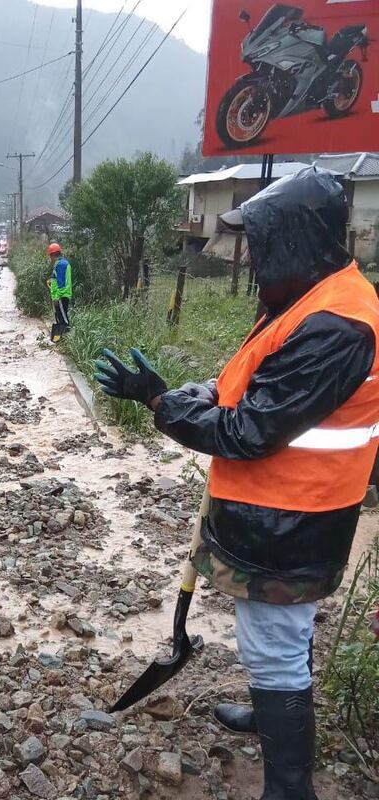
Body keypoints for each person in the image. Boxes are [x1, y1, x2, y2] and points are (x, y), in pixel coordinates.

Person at [94, 167, 379, 800]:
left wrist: (162, 403)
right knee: (283, 638)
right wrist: (182, 393)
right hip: (284, 515)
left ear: (296, 239)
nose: (250, 252)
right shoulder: (310, 301)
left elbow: (248, 429)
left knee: (275, 645)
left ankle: (288, 785)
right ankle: (273, 715)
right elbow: (243, 387)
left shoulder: (337, 326)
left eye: (259, 240)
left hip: (292, 523)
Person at [47, 243, 72, 331]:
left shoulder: (61, 265)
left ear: (53, 255)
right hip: (62, 295)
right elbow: (59, 279)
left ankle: (66, 337)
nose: (50, 258)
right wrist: (52, 280)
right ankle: (61, 337)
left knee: (64, 320)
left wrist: (56, 298)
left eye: (50, 256)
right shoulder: (63, 263)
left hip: (61, 296)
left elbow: (61, 283)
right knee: (60, 316)